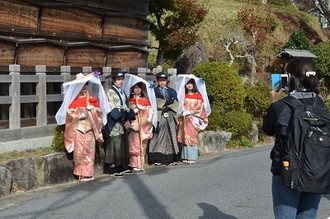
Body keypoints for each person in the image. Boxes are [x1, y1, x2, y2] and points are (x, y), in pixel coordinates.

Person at [263, 57, 325, 218]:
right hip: (316, 171)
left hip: (286, 172)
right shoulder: (320, 105)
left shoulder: (280, 106)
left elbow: (268, 130)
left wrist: (274, 102)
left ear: (290, 77)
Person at [55, 72, 110, 182]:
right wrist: (78, 115)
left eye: (85, 85)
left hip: (90, 129)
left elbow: (99, 114)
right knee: (80, 151)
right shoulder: (74, 101)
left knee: (90, 151)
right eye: (81, 85)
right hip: (78, 129)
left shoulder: (92, 100)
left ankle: (88, 173)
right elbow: (69, 115)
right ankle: (80, 172)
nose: (84, 88)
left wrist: (92, 111)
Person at [122, 74, 157, 172]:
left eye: (139, 88)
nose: (137, 90)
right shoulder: (129, 100)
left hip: (142, 124)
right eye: (135, 87)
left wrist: (142, 109)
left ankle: (140, 163)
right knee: (133, 145)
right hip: (133, 124)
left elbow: (150, 110)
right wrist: (132, 111)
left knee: (142, 145)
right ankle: (133, 164)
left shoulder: (145, 100)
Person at [103, 72, 135, 177]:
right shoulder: (110, 92)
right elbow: (111, 108)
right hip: (115, 122)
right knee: (114, 143)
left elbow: (127, 106)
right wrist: (122, 120)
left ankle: (123, 166)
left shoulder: (123, 92)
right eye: (118, 79)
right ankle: (113, 167)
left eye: (121, 79)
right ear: (113, 81)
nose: (120, 81)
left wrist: (129, 118)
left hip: (123, 121)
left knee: (122, 143)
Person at [176, 75, 210, 163]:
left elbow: (199, 107)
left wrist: (190, 112)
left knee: (192, 137)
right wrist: (182, 111)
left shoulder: (198, 96)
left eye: (191, 83)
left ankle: (192, 157)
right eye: (187, 83)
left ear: (194, 85)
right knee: (184, 136)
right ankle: (185, 156)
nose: (189, 85)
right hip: (184, 118)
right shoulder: (183, 95)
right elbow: (180, 106)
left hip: (193, 119)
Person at [148, 72, 180, 166]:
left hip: (170, 114)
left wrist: (168, 107)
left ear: (167, 81)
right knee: (158, 136)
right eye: (160, 81)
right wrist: (166, 103)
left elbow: (176, 103)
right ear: (158, 81)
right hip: (159, 115)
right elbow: (154, 103)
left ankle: (171, 158)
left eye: (164, 80)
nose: (162, 82)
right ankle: (157, 158)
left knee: (171, 135)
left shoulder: (172, 91)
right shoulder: (154, 91)